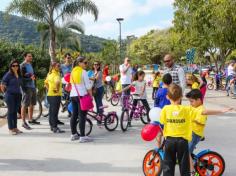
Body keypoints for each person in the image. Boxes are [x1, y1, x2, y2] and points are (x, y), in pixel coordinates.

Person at [186, 89, 233, 174]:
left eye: (192, 101)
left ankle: (192, 172)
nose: (190, 103)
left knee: (187, 152)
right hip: (189, 133)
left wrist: (221, 111)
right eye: (189, 101)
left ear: (199, 100)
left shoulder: (201, 109)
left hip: (195, 135)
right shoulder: (193, 107)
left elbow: (208, 112)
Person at [70, 56, 93, 142]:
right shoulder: (83, 72)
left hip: (73, 95)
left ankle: (73, 134)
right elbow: (88, 87)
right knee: (82, 116)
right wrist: (91, 97)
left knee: (74, 115)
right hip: (82, 96)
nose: (86, 64)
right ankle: (82, 137)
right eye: (85, 62)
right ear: (80, 63)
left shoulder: (73, 71)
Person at [1, 60, 23, 135]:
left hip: (18, 95)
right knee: (10, 112)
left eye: (17, 65)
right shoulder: (8, 74)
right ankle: (11, 129)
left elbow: (20, 84)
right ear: (11, 66)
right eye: (13, 66)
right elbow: (2, 85)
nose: (15, 67)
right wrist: (5, 93)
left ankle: (15, 128)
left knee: (15, 112)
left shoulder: (19, 74)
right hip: (10, 95)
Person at [20, 52, 40, 130]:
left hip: (32, 86)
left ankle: (30, 120)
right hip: (26, 87)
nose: (31, 57)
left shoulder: (30, 65)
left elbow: (32, 76)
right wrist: (30, 79)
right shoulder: (22, 66)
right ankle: (23, 122)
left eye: (31, 56)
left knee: (32, 104)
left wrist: (34, 83)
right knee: (24, 104)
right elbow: (21, 78)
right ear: (25, 57)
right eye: (29, 56)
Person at [44, 62, 65, 133]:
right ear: (53, 67)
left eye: (59, 66)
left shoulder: (49, 74)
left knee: (51, 111)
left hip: (50, 95)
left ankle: (52, 126)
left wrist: (49, 88)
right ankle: (55, 127)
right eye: (58, 66)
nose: (59, 67)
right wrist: (56, 89)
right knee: (54, 112)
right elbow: (57, 82)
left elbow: (46, 83)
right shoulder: (56, 75)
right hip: (55, 96)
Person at [60, 53, 73, 119]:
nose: (69, 59)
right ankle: (67, 109)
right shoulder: (61, 66)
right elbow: (60, 75)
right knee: (67, 98)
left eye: (70, 57)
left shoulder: (72, 66)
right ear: (65, 58)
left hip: (71, 84)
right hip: (65, 84)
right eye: (68, 57)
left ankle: (70, 112)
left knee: (71, 98)